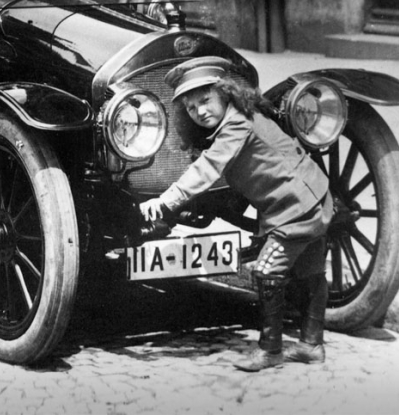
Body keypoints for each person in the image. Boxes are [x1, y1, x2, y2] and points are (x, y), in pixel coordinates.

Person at [139, 56, 334, 372]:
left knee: (267, 272)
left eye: (205, 100)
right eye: (191, 108)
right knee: (310, 273)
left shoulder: (236, 124)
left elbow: (208, 168)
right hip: (307, 198)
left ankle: (271, 350)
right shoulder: (238, 118)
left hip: (297, 208)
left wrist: (165, 202)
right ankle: (312, 345)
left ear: (224, 92)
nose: (200, 111)